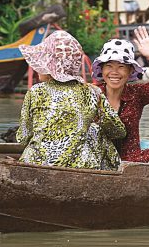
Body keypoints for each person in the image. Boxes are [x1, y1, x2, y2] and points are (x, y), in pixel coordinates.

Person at [17, 30, 126, 170]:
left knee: (94, 130)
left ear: (50, 64)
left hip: (35, 163)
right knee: (95, 130)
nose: (37, 68)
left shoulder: (34, 92)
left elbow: (23, 137)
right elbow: (118, 131)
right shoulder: (93, 92)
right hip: (82, 165)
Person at [92, 26, 149, 163]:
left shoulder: (136, 94)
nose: (114, 72)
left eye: (121, 67)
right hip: (98, 158)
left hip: (131, 160)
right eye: (109, 66)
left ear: (130, 72)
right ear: (102, 70)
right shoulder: (92, 93)